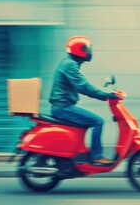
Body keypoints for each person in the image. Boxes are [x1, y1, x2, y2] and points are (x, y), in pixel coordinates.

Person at [49, 35, 120, 165]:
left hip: (62, 106)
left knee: (89, 121)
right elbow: (83, 86)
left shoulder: (69, 63)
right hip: (63, 107)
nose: (89, 52)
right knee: (98, 122)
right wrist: (104, 95)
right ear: (79, 50)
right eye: (86, 49)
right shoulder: (70, 65)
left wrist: (104, 95)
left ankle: (82, 154)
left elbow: (82, 85)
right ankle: (96, 156)